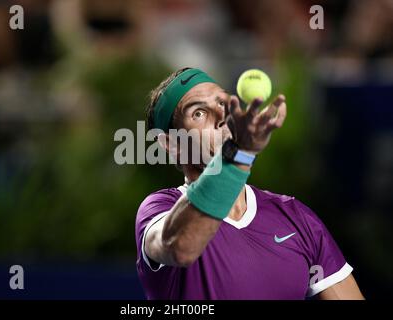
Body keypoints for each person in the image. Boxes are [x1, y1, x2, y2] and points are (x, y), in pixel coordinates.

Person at [135, 67, 364, 299]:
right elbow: (181, 247)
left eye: (223, 104)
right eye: (198, 113)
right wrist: (239, 154)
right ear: (172, 145)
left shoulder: (297, 218)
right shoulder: (159, 209)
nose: (220, 116)